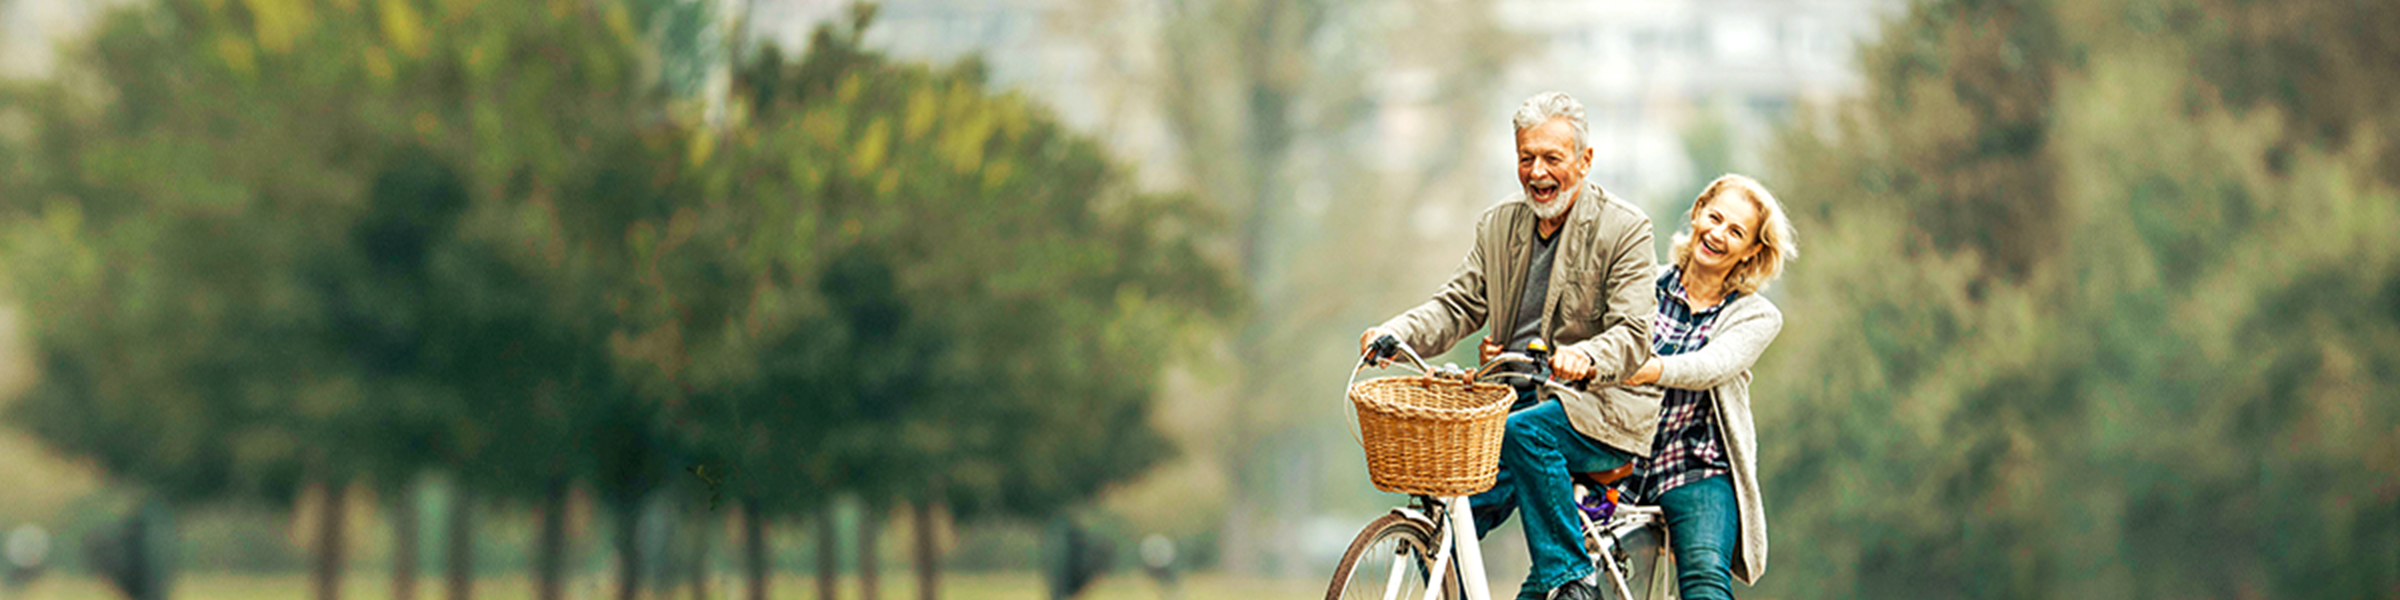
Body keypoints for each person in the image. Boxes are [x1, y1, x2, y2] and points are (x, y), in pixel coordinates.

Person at [1359, 91, 1660, 600]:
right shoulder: (1499, 226)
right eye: (1526, 158)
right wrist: (1398, 332)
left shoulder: (1625, 228)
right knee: (1450, 515)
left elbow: (1632, 335)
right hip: (1509, 405)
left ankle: (1571, 581)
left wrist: (1584, 358)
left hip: (1597, 408)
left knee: (1526, 434)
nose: (1537, 172)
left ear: (1585, 161)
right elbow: (1457, 305)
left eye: (1551, 158)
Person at [1618, 174, 1797, 599]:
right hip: (1620, 459)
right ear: (1697, 213)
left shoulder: (1755, 315)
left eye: (1736, 231)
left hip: (1696, 467)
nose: (1718, 234)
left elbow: (1712, 365)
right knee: (1562, 575)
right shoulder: (1642, 285)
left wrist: (1650, 369)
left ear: (1753, 249)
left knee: (1703, 577)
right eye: (1714, 218)